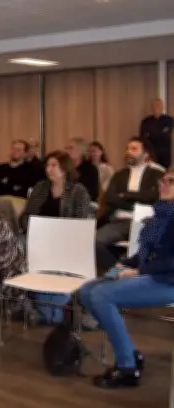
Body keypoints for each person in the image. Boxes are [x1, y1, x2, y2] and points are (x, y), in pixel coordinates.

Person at [79, 167, 174, 388]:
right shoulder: (160, 216)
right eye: (163, 180)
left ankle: (127, 366)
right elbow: (144, 254)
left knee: (102, 295)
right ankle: (131, 352)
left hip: (168, 280)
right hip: (154, 274)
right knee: (87, 290)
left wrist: (139, 271)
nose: (164, 184)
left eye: (171, 181)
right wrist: (124, 264)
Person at [20, 151, 92, 325]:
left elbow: (81, 222)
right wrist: (31, 230)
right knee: (20, 249)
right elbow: (26, 215)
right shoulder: (40, 188)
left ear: (65, 168)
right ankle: (46, 311)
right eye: (48, 165)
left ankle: (51, 312)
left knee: (55, 262)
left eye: (54, 165)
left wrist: (58, 234)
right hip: (39, 237)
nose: (49, 169)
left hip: (66, 239)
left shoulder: (77, 190)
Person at [96, 137, 164, 270]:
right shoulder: (119, 175)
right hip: (120, 221)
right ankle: (120, 269)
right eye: (127, 149)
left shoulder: (157, 174)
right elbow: (111, 199)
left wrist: (127, 195)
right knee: (94, 242)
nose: (128, 152)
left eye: (134, 149)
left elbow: (154, 196)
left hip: (145, 222)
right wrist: (138, 201)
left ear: (146, 154)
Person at [139, 98, 172, 169]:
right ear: (152, 108)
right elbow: (142, 139)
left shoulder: (169, 120)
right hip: (151, 155)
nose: (157, 108)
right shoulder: (146, 121)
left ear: (163, 107)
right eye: (155, 106)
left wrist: (153, 134)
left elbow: (167, 136)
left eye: (159, 105)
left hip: (166, 155)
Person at [65, 137, 100, 203]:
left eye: (71, 148)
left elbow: (91, 194)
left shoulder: (90, 169)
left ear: (81, 151)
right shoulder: (65, 168)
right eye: (66, 148)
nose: (67, 151)